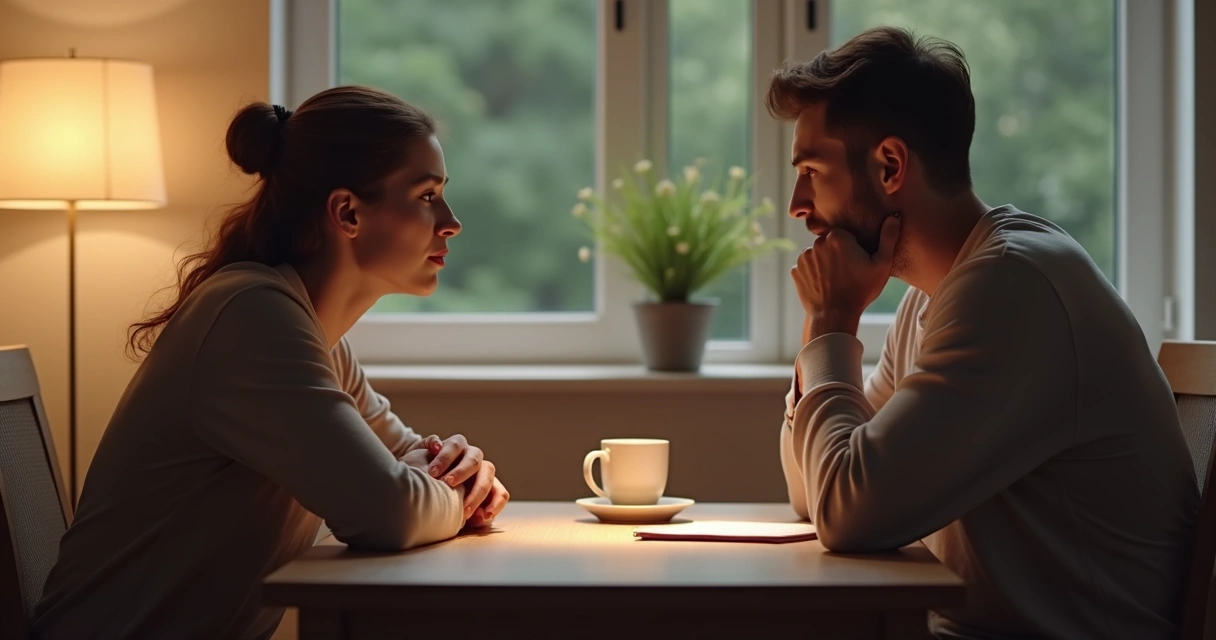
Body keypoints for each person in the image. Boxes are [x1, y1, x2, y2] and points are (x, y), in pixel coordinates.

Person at [33, 86, 509, 640]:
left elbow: (402, 456)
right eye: (427, 195)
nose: (450, 222)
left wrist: (455, 471)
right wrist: (456, 492)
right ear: (347, 212)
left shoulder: (313, 333)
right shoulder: (252, 317)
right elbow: (389, 511)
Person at [772, 26, 1197, 638]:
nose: (796, 203)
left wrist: (829, 323)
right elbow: (814, 491)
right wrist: (826, 334)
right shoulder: (935, 297)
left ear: (890, 165)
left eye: (811, 171)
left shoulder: (1011, 287)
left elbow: (845, 511)